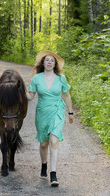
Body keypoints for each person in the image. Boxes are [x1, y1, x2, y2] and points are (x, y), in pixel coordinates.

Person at [26, 50, 74, 187]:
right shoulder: (37, 78)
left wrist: (70, 113)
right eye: (47, 60)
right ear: (43, 63)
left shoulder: (61, 79)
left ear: (55, 64)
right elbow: (30, 97)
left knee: (54, 140)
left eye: (52, 60)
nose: (49, 62)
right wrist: (21, 90)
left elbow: (66, 95)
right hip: (42, 112)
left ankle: (53, 174)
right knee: (43, 143)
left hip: (57, 110)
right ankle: (43, 165)